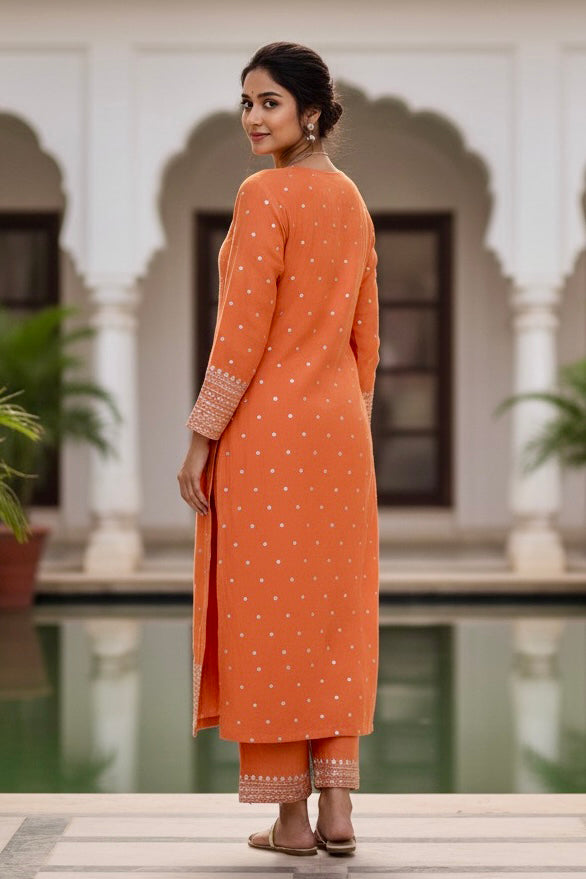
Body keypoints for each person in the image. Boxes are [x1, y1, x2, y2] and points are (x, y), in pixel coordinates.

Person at [178, 41, 380, 858]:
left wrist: (200, 438)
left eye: (269, 103)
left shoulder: (264, 195)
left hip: (268, 434)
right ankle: (339, 809)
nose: (253, 119)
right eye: (246, 102)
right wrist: (345, 415)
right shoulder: (355, 201)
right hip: (340, 432)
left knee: (268, 617)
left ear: (313, 112)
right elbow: (369, 337)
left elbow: (240, 332)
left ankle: (291, 820)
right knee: (332, 614)